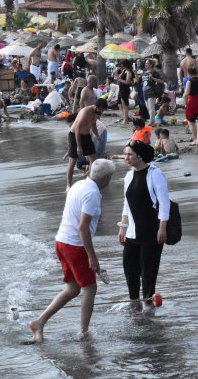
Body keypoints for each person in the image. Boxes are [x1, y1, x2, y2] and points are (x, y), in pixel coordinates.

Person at [28, 158, 114, 343]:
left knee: (73, 288)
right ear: (106, 178)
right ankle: (84, 333)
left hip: (61, 242)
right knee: (90, 289)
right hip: (74, 245)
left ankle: (39, 322)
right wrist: (93, 258)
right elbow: (83, 228)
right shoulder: (92, 194)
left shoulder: (79, 184)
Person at [118, 141, 169, 309]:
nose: (126, 158)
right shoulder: (129, 176)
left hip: (151, 232)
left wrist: (162, 227)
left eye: (129, 154)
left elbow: (163, 203)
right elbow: (126, 203)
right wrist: (122, 227)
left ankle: (148, 305)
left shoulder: (155, 174)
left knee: (148, 271)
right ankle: (134, 304)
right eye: (125, 154)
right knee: (130, 269)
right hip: (132, 233)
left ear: (139, 156)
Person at [67, 99, 107, 190]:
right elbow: (77, 129)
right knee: (73, 161)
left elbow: (93, 125)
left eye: (103, 110)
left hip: (86, 136)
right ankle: (68, 185)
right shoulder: (86, 111)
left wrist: (97, 135)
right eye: (100, 109)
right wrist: (79, 146)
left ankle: (91, 181)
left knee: (93, 158)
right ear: (96, 106)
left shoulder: (96, 113)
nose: (101, 111)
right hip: (74, 135)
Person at [115, 60, 134, 124]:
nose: (122, 66)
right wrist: (117, 72)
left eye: (123, 64)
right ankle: (124, 117)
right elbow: (118, 77)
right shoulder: (124, 71)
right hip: (121, 88)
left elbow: (127, 82)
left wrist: (119, 79)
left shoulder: (129, 72)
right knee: (119, 103)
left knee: (124, 104)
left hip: (125, 89)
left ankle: (125, 120)